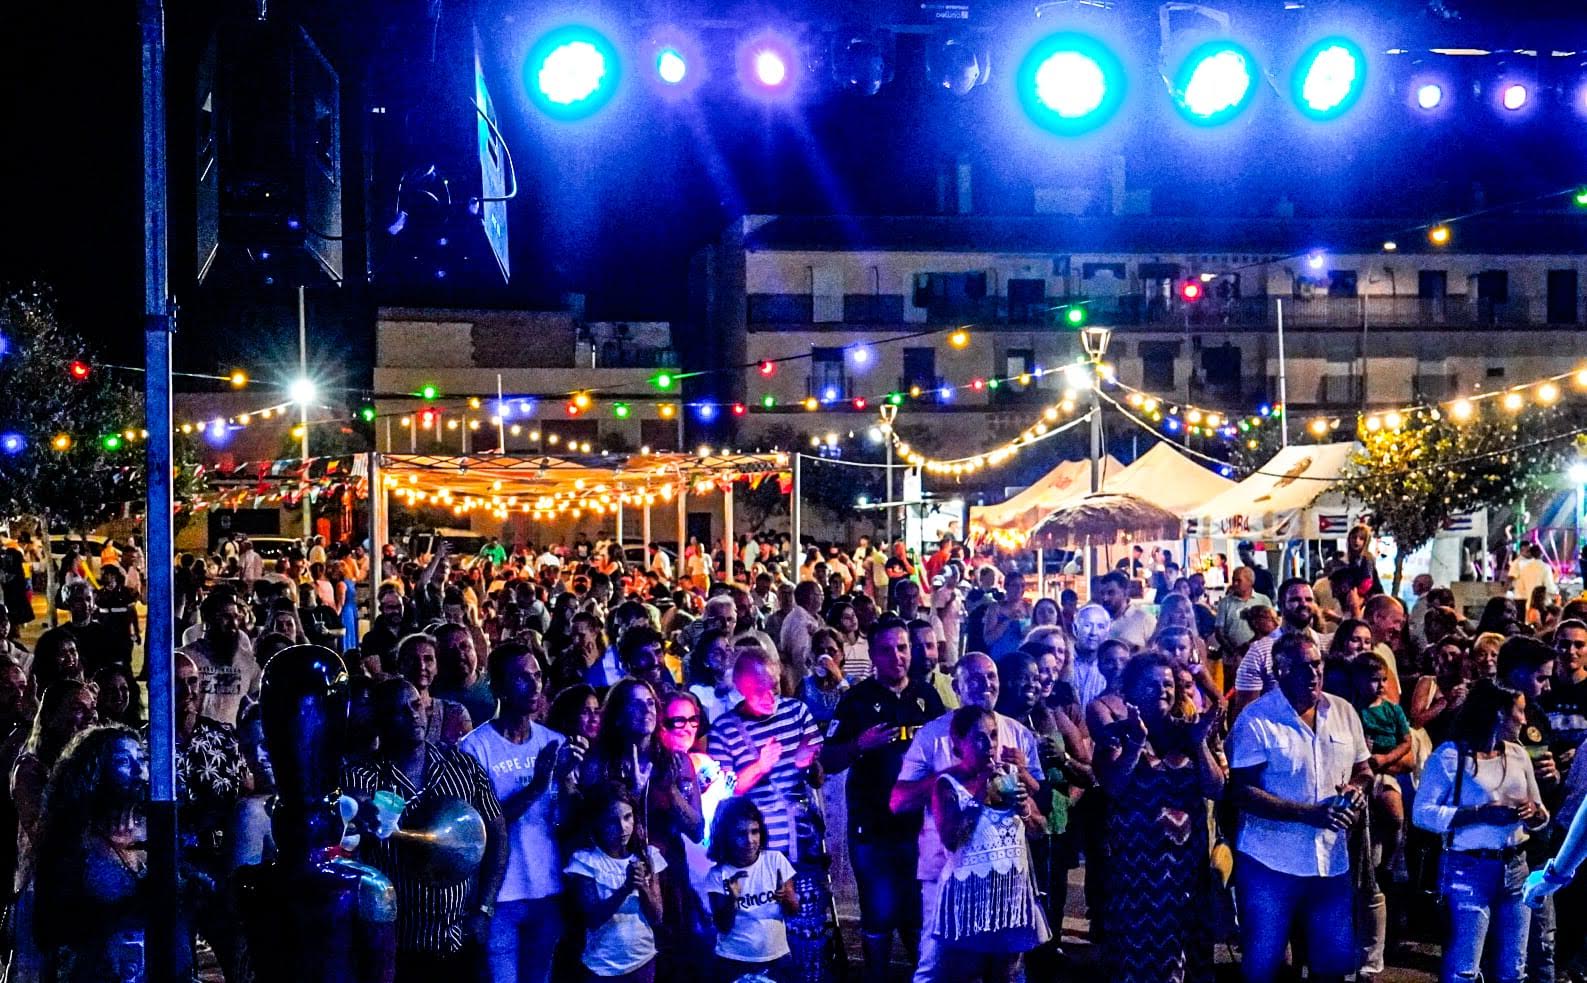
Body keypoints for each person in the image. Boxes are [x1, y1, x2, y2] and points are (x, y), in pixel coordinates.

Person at [1227, 632, 1372, 983]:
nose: (1314, 674)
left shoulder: (1343, 711)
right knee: (1264, 967)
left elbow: (1364, 769)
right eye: (1304, 667)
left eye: (1317, 664)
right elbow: (1242, 791)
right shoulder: (1256, 719)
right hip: (1270, 863)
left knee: (1332, 967)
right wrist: (1308, 813)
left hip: (1331, 863)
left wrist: (1357, 790)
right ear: (1281, 670)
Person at [890, 653, 1043, 983]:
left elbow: (1041, 811)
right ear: (956, 687)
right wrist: (962, 776)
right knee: (938, 965)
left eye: (991, 677)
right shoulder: (933, 735)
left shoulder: (1018, 734)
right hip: (945, 871)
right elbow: (898, 801)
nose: (985, 685)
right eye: (974, 679)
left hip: (1004, 878)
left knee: (1009, 968)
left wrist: (1024, 786)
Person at [344, 677, 507, 981]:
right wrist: (356, 807)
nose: (412, 715)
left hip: (458, 940)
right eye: (399, 711)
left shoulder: (462, 768)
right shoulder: (362, 777)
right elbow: (345, 821)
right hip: (395, 949)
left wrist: (484, 910)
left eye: (416, 705)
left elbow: (497, 835)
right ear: (380, 723)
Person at [822, 617, 946, 981]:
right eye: (887, 650)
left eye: (903, 647)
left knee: (918, 915)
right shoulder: (856, 701)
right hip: (873, 829)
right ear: (873, 655)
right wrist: (859, 745)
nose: (898, 657)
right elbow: (827, 759)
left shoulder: (927, 696)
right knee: (878, 915)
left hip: (921, 829)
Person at [1095, 652, 1226, 983]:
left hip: (1186, 874)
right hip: (1136, 877)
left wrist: (1200, 747)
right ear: (1132, 690)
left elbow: (1217, 789)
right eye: (1151, 684)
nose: (1162, 690)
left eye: (1167, 684)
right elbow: (1112, 787)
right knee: (1136, 964)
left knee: (1188, 960)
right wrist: (1137, 743)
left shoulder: (1191, 732)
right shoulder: (1116, 734)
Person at [1415, 680, 1549, 983]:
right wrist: (1479, 814)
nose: (1525, 721)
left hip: (1516, 867)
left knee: (1513, 968)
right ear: (1499, 714)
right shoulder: (1451, 756)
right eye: (1520, 712)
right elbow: (1422, 814)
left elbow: (1540, 809)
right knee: (1464, 967)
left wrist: (1534, 814)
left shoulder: (1518, 755)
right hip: (1468, 868)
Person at [459, 641, 576, 983]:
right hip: (500, 896)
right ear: (497, 686)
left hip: (547, 888)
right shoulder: (475, 748)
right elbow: (478, 828)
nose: (534, 685)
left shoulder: (551, 741)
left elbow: (563, 821)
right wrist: (536, 786)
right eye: (522, 677)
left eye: (538, 675)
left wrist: (568, 783)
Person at [928, 705, 1049, 982]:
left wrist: (1024, 809)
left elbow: (1040, 830)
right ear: (958, 741)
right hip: (969, 901)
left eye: (994, 736)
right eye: (980, 738)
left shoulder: (1008, 777)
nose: (990, 745)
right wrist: (980, 793)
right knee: (968, 975)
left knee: (1008, 975)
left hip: (1010, 900)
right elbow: (952, 839)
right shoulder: (947, 784)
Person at [565, 781, 667, 981]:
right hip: (602, 967)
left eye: (627, 817)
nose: (623, 827)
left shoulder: (647, 856)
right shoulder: (586, 861)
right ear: (598, 823)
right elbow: (593, 919)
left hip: (643, 960)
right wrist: (624, 889)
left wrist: (642, 887)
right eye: (612, 821)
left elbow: (657, 916)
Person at [705, 796, 799, 982]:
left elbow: (793, 910)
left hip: (776, 959)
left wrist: (787, 897)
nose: (750, 840)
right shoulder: (718, 874)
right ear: (726, 837)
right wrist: (731, 899)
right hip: (734, 960)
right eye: (741, 834)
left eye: (754, 832)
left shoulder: (776, 860)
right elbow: (722, 926)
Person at [1231, 578, 1329, 716]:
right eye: (1295, 600)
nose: (1303, 604)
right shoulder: (1260, 652)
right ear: (1281, 604)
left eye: (1308, 599)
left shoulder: (1326, 645)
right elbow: (1245, 712)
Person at [178, 590, 263, 729]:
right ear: (207, 618)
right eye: (225, 617)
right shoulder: (185, 658)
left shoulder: (248, 663)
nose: (233, 623)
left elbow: (255, 706)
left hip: (232, 746)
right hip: (193, 744)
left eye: (236, 617)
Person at [395, 632, 472, 745]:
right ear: (400, 665)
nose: (421, 666)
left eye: (428, 659)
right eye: (413, 659)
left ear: (437, 667)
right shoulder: (392, 714)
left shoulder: (454, 712)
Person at [1215, 567, 1272, 664]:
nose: (1234, 584)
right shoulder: (1225, 603)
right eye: (1233, 580)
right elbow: (1219, 631)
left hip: (1259, 658)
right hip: (1232, 660)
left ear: (1250, 582)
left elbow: (1271, 628)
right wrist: (1234, 653)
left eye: (1238, 580)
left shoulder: (1263, 600)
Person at [1095, 571, 1155, 650]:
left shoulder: (1144, 619)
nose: (1105, 598)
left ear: (1125, 592)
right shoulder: (1095, 621)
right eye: (1102, 594)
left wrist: (1133, 648)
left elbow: (1155, 653)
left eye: (1111, 593)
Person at [1071, 603, 1114, 708]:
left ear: (1107, 633)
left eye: (1100, 626)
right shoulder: (1062, 662)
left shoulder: (1113, 667)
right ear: (1075, 629)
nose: (1093, 632)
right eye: (1087, 625)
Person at [93, 663, 144, 727]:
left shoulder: (143, 729)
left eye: (123, 688)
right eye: (110, 689)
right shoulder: (90, 728)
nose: (119, 694)